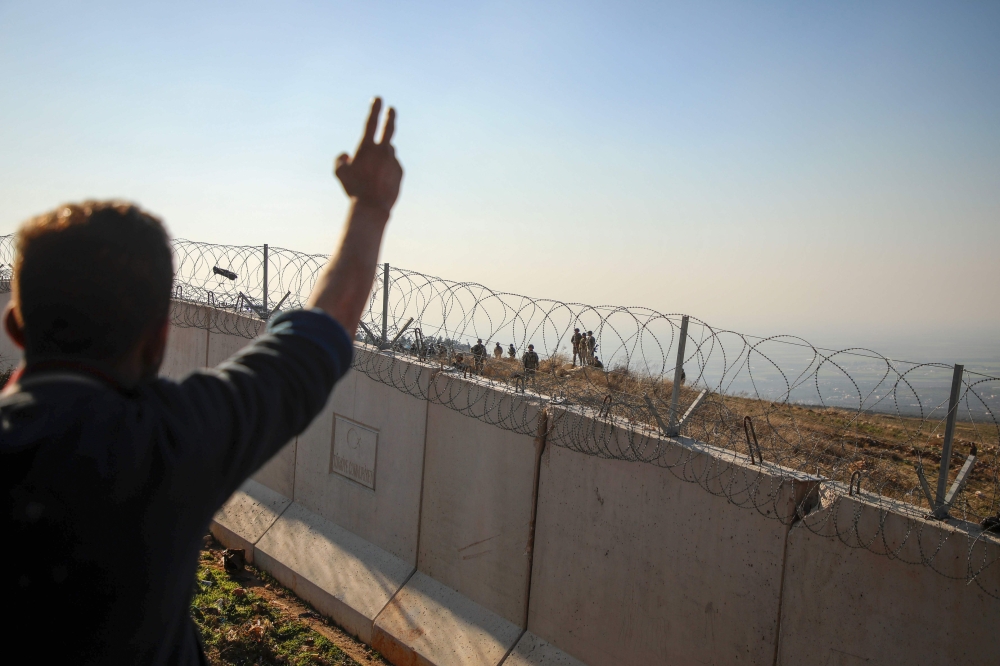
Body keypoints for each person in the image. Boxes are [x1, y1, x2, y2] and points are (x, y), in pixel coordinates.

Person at [0, 98, 403, 665]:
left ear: (16, 325)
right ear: (159, 338)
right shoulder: (174, 443)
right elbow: (323, 326)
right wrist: (371, 206)